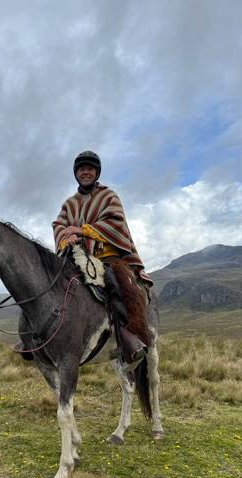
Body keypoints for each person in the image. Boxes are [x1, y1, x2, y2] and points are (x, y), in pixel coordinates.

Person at [53, 150, 153, 364]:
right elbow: (59, 225)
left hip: (107, 257)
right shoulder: (69, 204)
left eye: (89, 168)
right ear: (76, 174)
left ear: (96, 172)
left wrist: (82, 230)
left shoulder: (109, 196)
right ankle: (38, 338)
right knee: (49, 283)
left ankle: (129, 339)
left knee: (116, 287)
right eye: (81, 169)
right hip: (77, 258)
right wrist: (65, 237)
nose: (85, 172)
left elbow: (116, 223)